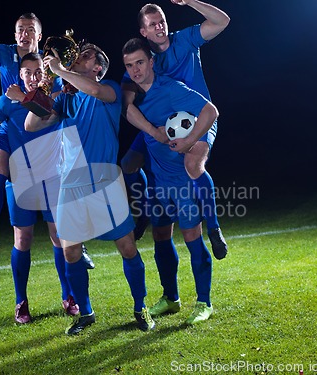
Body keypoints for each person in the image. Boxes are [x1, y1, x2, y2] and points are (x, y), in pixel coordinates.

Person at [25, 42, 155, 335]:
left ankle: (141, 307)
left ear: (97, 68)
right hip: (70, 186)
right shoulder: (66, 99)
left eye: (85, 56)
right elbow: (31, 124)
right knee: (70, 252)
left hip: (105, 183)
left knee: (127, 247)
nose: (76, 58)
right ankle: (85, 313)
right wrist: (47, 84)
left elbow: (94, 91)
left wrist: (59, 69)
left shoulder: (107, 89)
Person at [0, 12, 94, 270]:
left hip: (44, 135)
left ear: (39, 35)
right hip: (12, 129)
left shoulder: (51, 61)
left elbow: (58, 100)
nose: (25, 34)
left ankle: (78, 245)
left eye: (30, 30)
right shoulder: (5, 54)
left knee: (67, 181)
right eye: (21, 29)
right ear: (15, 35)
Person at [120, 1, 230, 261]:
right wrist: (152, 131)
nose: (159, 26)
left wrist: (190, 1)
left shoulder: (185, 40)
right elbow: (125, 106)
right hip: (163, 125)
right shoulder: (144, 59)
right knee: (128, 164)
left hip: (198, 120)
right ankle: (145, 209)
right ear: (143, 31)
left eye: (161, 21)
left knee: (193, 164)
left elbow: (222, 21)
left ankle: (214, 228)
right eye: (152, 24)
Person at [0, 52, 82, 322]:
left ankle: (68, 296)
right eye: (28, 73)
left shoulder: (56, 95)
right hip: (21, 180)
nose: (34, 77)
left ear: (45, 74)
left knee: (59, 237)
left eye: (39, 72)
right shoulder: (7, 101)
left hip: (53, 177)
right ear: (20, 76)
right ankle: (21, 302)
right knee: (22, 240)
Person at [122, 37, 219, 324]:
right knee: (160, 236)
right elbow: (127, 112)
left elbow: (211, 111)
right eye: (130, 65)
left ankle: (204, 303)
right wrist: (154, 132)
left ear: (151, 62)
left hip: (181, 181)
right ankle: (171, 298)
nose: (136, 69)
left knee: (191, 237)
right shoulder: (134, 95)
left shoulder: (172, 89)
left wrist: (190, 139)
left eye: (140, 62)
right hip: (158, 181)